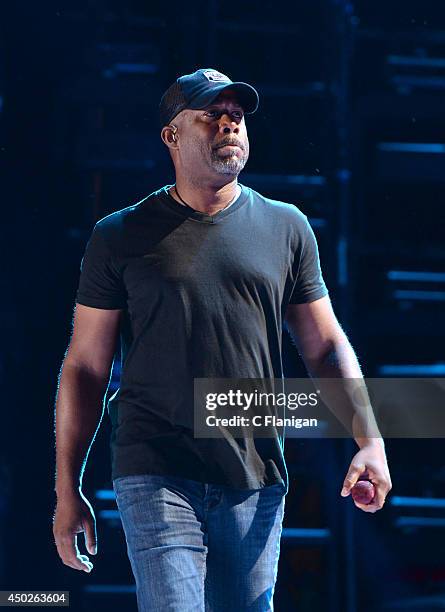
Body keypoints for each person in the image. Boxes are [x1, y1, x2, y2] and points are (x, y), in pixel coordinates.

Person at [53, 68, 392, 611]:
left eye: (235, 116)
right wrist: (67, 488)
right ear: (172, 135)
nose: (228, 125)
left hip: (254, 472)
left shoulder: (286, 227)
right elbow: (86, 368)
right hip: (155, 465)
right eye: (210, 115)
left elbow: (325, 345)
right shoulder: (120, 235)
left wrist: (370, 440)